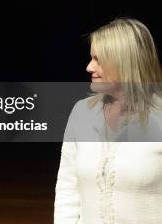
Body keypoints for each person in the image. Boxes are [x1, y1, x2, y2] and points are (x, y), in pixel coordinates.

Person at [55, 18, 162, 224]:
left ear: (125, 62)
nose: (89, 67)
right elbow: (68, 189)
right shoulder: (82, 113)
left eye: (98, 59)